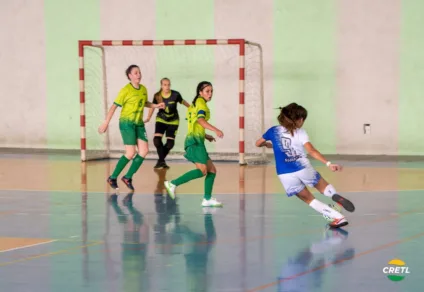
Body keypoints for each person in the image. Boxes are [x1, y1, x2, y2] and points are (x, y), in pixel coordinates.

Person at [255, 103, 355, 228]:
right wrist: (328, 163)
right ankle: (333, 195)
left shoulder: (273, 131)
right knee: (321, 185)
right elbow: (311, 151)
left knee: (309, 199)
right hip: (302, 167)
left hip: (285, 173)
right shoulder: (301, 132)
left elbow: (258, 143)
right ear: (300, 120)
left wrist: (267, 145)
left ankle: (338, 218)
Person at [98, 65, 165, 191]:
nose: (138, 75)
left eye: (139, 72)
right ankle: (112, 177)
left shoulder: (143, 89)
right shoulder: (125, 90)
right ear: (129, 76)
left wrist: (156, 106)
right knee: (130, 152)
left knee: (144, 151)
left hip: (138, 124)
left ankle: (127, 177)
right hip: (127, 123)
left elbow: (144, 102)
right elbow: (113, 107)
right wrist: (106, 122)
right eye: (135, 73)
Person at [164, 81, 224, 207]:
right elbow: (200, 120)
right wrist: (216, 130)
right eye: (207, 91)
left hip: (196, 140)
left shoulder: (193, 105)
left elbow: (193, 124)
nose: (210, 94)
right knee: (203, 171)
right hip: (195, 142)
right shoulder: (201, 103)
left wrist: (206, 135)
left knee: (212, 170)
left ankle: (207, 199)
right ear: (200, 92)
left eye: (211, 91)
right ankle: (173, 183)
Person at [144, 78, 190, 169]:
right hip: (161, 119)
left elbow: (183, 102)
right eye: (165, 85)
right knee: (156, 140)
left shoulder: (175, 94)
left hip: (173, 120)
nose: (167, 87)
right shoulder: (157, 96)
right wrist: (148, 117)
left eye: (168, 84)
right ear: (161, 85)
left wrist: (192, 108)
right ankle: (161, 161)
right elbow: (152, 107)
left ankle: (160, 161)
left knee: (170, 144)